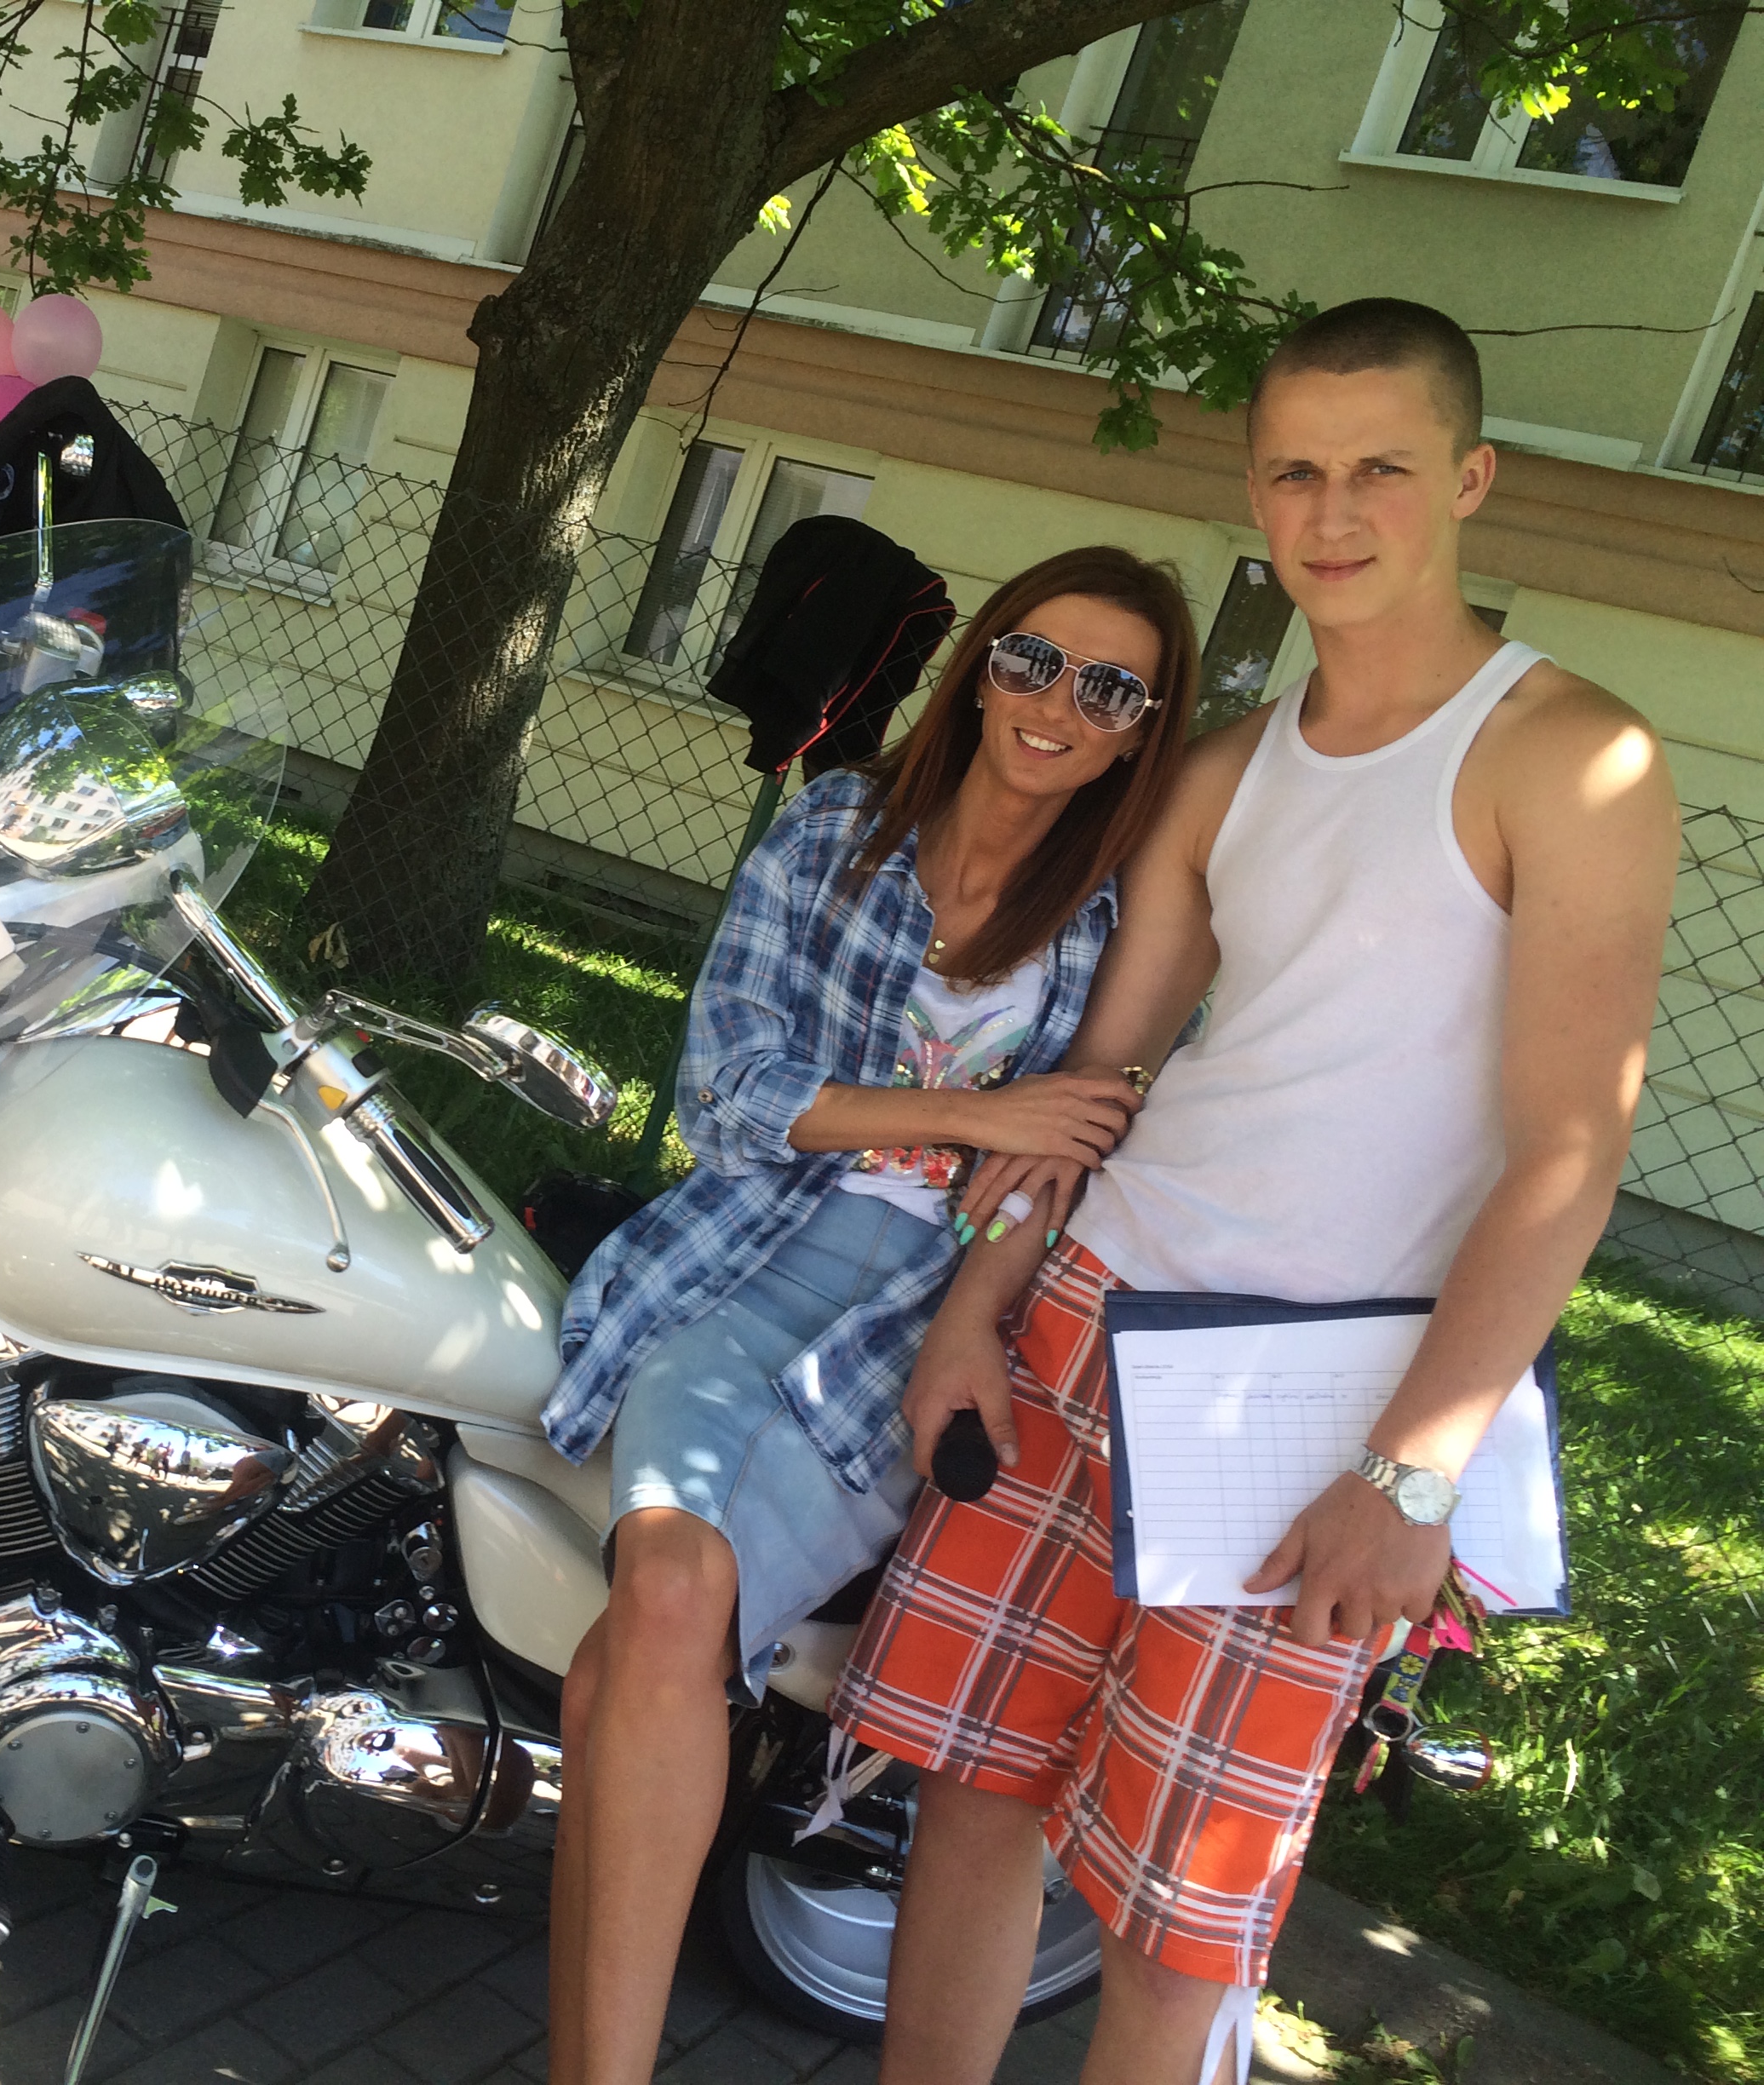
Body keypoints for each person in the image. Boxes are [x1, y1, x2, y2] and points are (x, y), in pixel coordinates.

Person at [831, 298, 1679, 2085]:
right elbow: (1094, 1092)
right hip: (1083, 1331)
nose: (1333, 512)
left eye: (1381, 468)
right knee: (975, 1791)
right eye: (1294, 471)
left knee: (1177, 1914)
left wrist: (1412, 1472)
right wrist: (975, 1315)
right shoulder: (1224, 768)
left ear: (1472, 478)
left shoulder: (1570, 757)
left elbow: (1571, 1151)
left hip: (1314, 1410)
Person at [541, 544, 1204, 2085]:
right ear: (981, 666)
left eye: (1110, 689)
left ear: (1138, 736)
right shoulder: (837, 828)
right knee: (661, 1598)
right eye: (1034, 659)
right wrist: (977, 1113)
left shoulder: (1118, 926)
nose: (1058, 703)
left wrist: (987, 1192)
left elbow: (1061, 1172)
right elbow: (725, 1090)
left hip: (919, 1321)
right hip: (737, 1264)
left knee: (641, 1645)